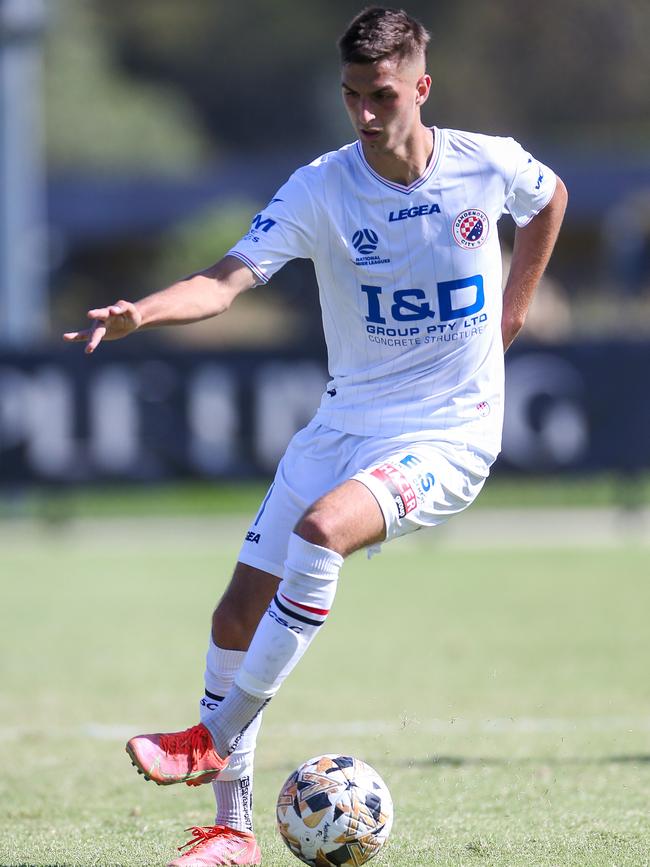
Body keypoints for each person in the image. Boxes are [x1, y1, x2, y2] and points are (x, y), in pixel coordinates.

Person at [64, 7, 567, 866]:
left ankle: (209, 735)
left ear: (420, 87)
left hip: (450, 431)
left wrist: (515, 306)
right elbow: (225, 283)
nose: (366, 115)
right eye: (351, 97)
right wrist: (145, 310)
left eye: (381, 96)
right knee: (234, 612)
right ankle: (232, 832)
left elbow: (550, 195)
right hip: (344, 423)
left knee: (322, 529)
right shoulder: (321, 187)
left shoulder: (485, 163)